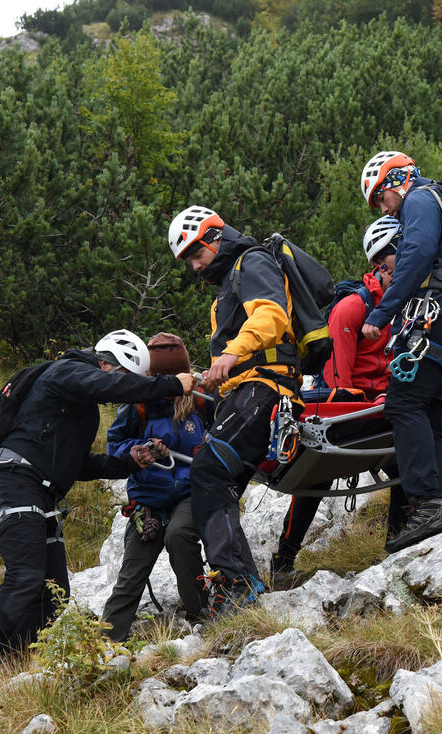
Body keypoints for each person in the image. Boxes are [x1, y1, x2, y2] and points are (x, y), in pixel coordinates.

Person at [0, 330, 194, 680]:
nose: (120, 392)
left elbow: (79, 465)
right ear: (107, 365)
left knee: (54, 591)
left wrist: (130, 461)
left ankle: (13, 667)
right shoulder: (66, 371)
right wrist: (172, 384)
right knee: (26, 575)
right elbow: (110, 387)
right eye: (124, 378)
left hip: (39, 493)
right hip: (12, 484)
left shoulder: (80, 406)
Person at [167, 205, 298, 615]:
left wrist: (231, 354)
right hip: (245, 391)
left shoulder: (252, 262)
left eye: (196, 254)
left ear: (215, 237)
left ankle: (239, 583)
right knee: (212, 480)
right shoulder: (228, 283)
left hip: (266, 388)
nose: (194, 267)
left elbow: (272, 316)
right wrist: (215, 378)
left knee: (208, 471)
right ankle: (238, 583)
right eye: (189, 260)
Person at [359, 151, 442, 553]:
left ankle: (429, 505)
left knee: (402, 403)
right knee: (432, 419)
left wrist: (381, 313)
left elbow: (416, 256)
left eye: (381, 197)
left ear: (396, 181)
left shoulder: (418, 198)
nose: (383, 208)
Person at [269, 216, 398, 584]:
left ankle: (398, 542)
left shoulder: (401, 303)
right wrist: (363, 404)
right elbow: (340, 376)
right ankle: (284, 558)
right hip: (352, 404)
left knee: (403, 467)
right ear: (379, 266)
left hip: (382, 401)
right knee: (314, 482)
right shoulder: (352, 308)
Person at [101, 333, 208, 641]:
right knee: (132, 573)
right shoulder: (137, 405)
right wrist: (142, 448)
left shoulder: (201, 401)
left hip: (189, 493)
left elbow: (220, 437)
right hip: (148, 501)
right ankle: (105, 642)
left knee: (179, 536)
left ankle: (200, 616)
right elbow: (114, 445)